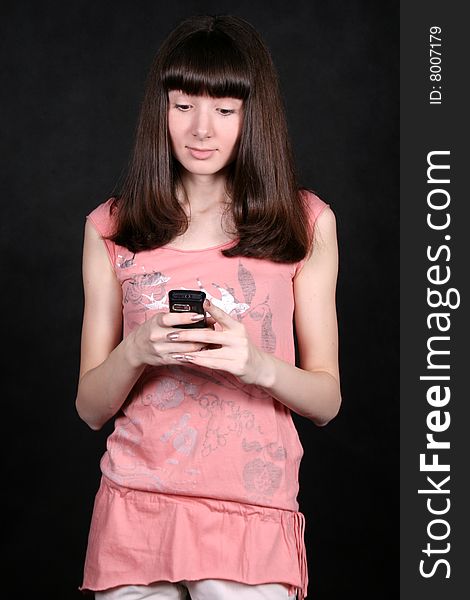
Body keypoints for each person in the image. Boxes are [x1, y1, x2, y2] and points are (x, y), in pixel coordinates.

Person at [76, 13, 341, 600]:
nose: (201, 129)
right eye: (183, 104)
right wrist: (137, 349)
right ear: (160, 110)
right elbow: (90, 408)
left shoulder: (304, 224)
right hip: (135, 507)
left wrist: (255, 364)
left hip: (250, 510)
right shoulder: (111, 228)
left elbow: (327, 401)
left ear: (254, 116)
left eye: (225, 110)